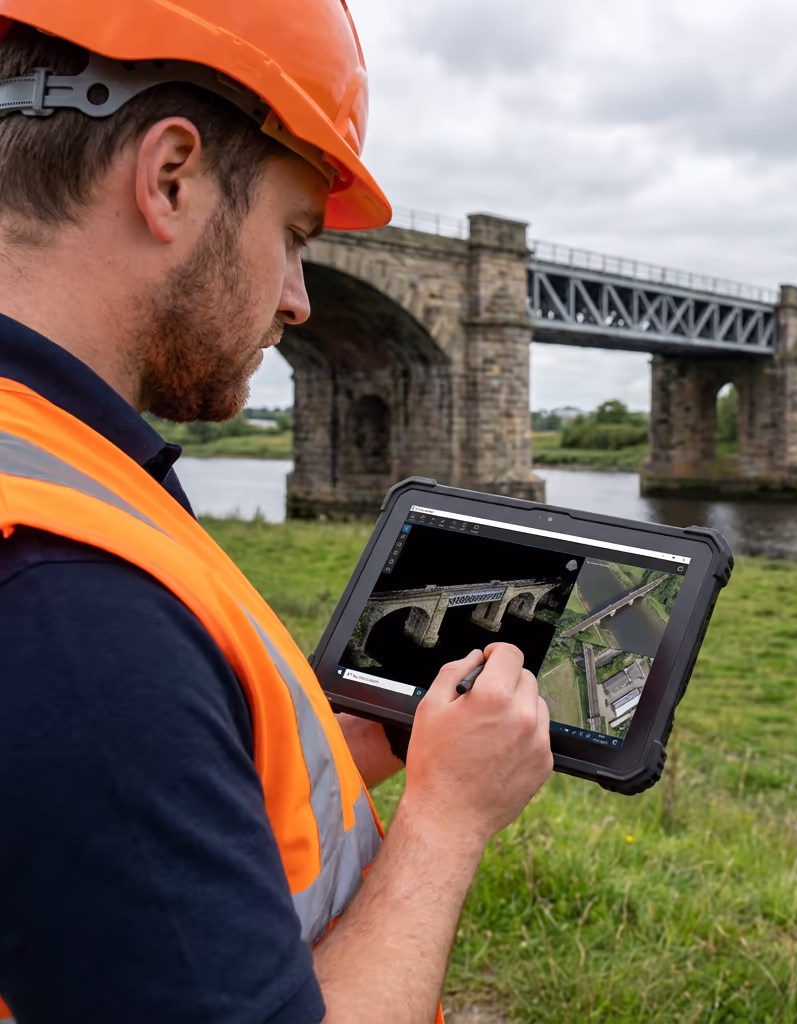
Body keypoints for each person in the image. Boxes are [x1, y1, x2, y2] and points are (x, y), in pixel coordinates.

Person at [0, 3, 554, 1022]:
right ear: (171, 178)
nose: (301, 300)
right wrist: (447, 814)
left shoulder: (48, 468)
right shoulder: (70, 600)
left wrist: (325, 746)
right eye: (295, 234)